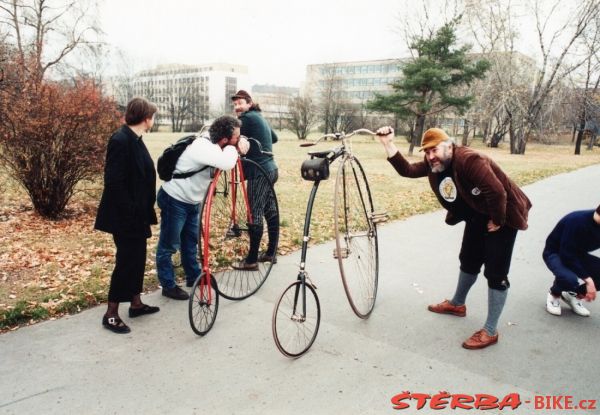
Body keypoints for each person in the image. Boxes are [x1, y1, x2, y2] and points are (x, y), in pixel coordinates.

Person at [376, 126, 532, 349]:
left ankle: (490, 331)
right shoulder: (436, 165)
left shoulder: (469, 160)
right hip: (478, 215)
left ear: (450, 146)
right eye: (427, 152)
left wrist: (497, 220)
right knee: (468, 260)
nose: (431, 156)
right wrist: (388, 143)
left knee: (496, 273)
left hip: (504, 215)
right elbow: (408, 170)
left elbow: (498, 193)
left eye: (435, 150)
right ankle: (458, 304)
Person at [156, 115, 249, 300]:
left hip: (191, 201)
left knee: (190, 242)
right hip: (175, 199)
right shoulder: (202, 146)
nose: (238, 141)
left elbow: (234, 150)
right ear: (224, 140)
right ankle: (168, 285)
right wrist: (234, 147)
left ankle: (194, 277)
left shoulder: (215, 144)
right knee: (169, 245)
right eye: (236, 138)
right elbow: (227, 162)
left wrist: (241, 141)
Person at [94, 97, 160, 334]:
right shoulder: (121, 140)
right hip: (125, 216)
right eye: (153, 116)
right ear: (146, 118)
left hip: (138, 214)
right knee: (126, 262)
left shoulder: (136, 139)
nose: (153, 120)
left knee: (138, 258)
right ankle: (111, 313)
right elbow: (114, 182)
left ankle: (135, 303)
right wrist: (131, 210)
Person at [230, 90, 279, 270]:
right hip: (271, 169)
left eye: (240, 103)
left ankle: (251, 260)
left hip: (259, 172)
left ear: (249, 103)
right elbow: (274, 137)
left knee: (255, 212)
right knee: (270, 210)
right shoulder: (259, 117)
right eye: (235, 105)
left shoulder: (247, 118)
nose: (237, 107)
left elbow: (232, 134)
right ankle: (271, 252)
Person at [543, 205, 600, 316]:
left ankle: (573, 295)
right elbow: (566, 254)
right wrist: (588, 280)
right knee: (569, 278)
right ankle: (554, 294)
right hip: (556, 252)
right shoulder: (577, 221)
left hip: (578, 254)